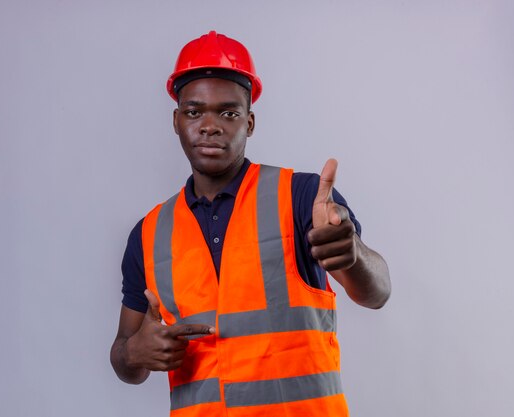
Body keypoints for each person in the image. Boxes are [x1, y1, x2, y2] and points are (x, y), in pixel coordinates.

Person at [110, 30, 391, 417]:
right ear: (176, 121)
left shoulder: (302, 198)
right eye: (194, 112)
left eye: (228, 112)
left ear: (250, 122)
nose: (210, 125)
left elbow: (376, 293)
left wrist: (352, 253)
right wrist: (134, 352)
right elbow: (127, 359)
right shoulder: (149, 233)